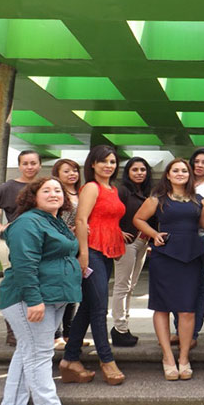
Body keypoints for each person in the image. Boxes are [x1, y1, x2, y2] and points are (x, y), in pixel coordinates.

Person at [0, 177, 79, 405]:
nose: (54, 194)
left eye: (58, 190)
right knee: (40, 354)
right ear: (33, 196)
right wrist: (34, 300)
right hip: (29, 298)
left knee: (28, 350)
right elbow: (24, 264)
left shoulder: (55, 221)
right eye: (46, 190)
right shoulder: (27, 222)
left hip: (53, 296)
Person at [133, 159, 204, 381]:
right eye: (175, 170)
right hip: (165, 257)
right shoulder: (157, 199)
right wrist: (154, 234)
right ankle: (167, 357)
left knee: (187, 310)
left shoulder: (198, 199)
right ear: (167, 174)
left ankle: (184, 358)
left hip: (191, 257)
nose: (180, 173)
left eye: (184, 170)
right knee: (162, 307)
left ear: (190, 175)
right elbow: (138, 219)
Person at [60, 145, 126, 386]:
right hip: (92, 252)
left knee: (88, 307)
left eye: (112, 162)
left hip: (106, 253)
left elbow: (108, 220)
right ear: (93, 164)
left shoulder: (113, 189)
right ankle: (106, 360)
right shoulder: (91, 187)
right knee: (99, 309)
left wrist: (117, 241)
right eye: (103, 161)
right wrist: (84, 254)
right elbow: (81, 220)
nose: (109, 165)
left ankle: (69, 360)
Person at [0, 150, 41, 346]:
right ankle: (13, 332)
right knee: (14, 286)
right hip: (11, 244)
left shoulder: (44, 186)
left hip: (38, 244)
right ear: (19, 165)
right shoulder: (9, 187)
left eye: (33, 163)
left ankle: (33, 329)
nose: (29, 167)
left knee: (35, 285)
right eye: (25, 163)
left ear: (39, 165)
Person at [172, 148, 204, 348]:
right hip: (178, 241)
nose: (200, 165)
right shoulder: (182, 181)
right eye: (197, 161)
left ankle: (193, 333)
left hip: (201, 240)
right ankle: (179, 330)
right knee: (178, 287)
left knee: (198, 287)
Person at [111, 157, 152, 347]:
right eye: (135, 169)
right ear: (127, 172)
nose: (139, 173)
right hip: (126, 243)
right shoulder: (121, 191)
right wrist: (117, 231)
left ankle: (124, 327)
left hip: (142, 242)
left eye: (143, 169)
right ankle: (119, 328)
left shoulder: (146, 192)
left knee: (131, 286)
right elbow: (110, 214)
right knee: (122, 286)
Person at [50, 159, 82, 351]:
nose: (72, 174)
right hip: (59, 246)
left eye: (75, 170)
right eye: (67, 171)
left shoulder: (81, 192)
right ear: (57, 174)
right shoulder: (56, 194)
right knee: (57, 291)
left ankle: (69, 334)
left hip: (76, 246)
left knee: (71, 291)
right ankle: (55, 335)